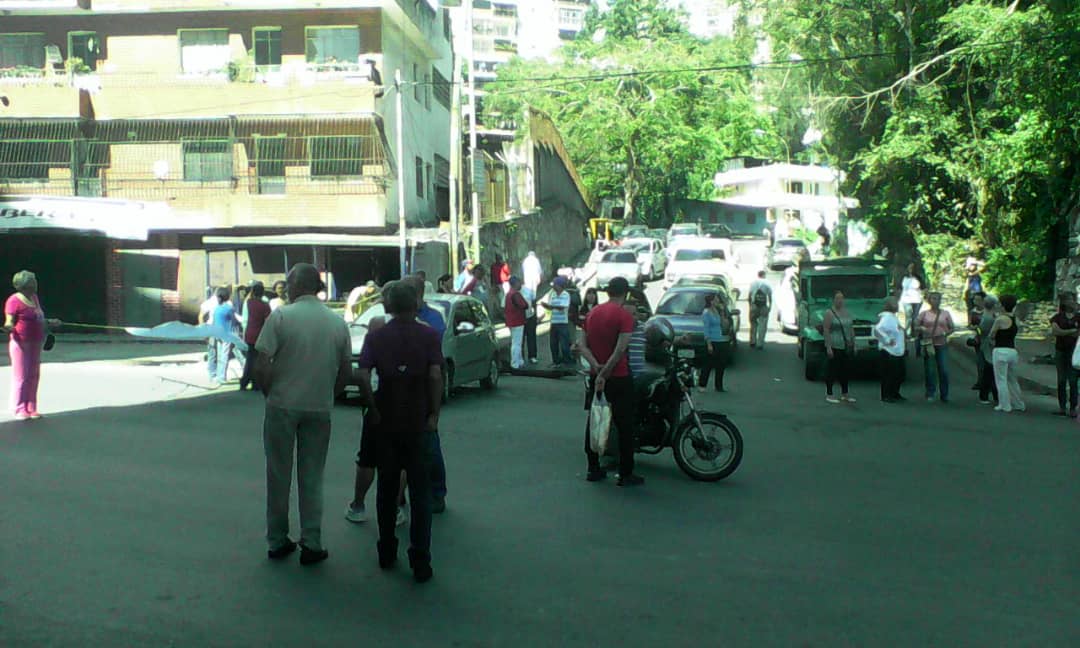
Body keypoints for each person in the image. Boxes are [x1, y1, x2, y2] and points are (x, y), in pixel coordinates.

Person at [253, 263, 352, 565]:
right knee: (312, 476)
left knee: (278, 474)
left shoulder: (281, 317)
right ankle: (312, 541)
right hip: (318, 407)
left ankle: (277, 539)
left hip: (283, 404)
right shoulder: (337, 323)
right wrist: (328, 396)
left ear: (295, 286)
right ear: (318, 288)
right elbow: (345, 373)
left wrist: (269, 391)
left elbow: (263, 363)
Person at [354, 281, 443, 583]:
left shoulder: (377, 336)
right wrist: (434, 414)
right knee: (420, 492)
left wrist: (372, 408)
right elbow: (434, 375)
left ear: (389, 306)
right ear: (414, 305)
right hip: (417, 419)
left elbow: (362, 374)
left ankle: (387, 549)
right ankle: (421, 559)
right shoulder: (428, 335)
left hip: (386, 418)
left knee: (386, 488)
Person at [345, 314, 410, 528]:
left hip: (378, 403)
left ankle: (358, 505)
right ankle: (396, 507)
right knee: (400, 460)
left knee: (368, 459)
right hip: (403, 406)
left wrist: (370, 407)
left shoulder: (374, 343)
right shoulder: (411, 337)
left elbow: (363, 377)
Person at [577, 276, 642, 487]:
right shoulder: (624, 316)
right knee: (625, 425)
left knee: (595, 419)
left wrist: (596, 367)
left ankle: (593, 467)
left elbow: (581, 345)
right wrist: (606, 371)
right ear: (625, 293)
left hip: (597, 375)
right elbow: (620, 349)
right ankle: (625, 472)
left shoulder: (592, 314)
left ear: (608, 292)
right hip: (619, 376)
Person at [408, 275, 449, 513]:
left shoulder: (433, 317)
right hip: (404, 388)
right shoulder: (395, 314)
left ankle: (437, 492)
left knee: (430, 442)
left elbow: (434, 355)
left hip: (426, 385)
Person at [3, 270, 61, 420]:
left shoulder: (34, 298)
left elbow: (38, 317)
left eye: (35, 281)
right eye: (32, 282)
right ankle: (19, 408)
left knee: (34, 375)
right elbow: (9, 321)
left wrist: (50, 322)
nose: (36, 284)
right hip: (20, 343)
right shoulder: (14, 300)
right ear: (24, 285)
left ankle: (31, 407)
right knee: (21, 376)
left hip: (36, 342)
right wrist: (8, 326)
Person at [916, 292, 955, 403]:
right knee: (930, 370)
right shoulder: (924, 314)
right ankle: (930, 392)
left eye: (938, 299)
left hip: (942, 344)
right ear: (929, 300)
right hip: (929, 344)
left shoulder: (945, 313)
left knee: (944, 370)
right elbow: (916, 325)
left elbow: (952, 328)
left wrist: (945, 333)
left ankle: (944, 394)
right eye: (933, 298)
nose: (935, 301)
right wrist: (922, 329)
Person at [990, 294, 1025, 413]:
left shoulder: (1000, 319)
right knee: (1012, 379)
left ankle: (1004, 405)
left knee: (1001, 379)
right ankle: (1018, 403)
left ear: (1003, 306)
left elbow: (992, 334)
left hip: (1000, 350)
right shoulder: (1016, 319)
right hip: (1012, 351)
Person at [1050, 292, 1080, 417]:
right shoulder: (1057, 317)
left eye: (1071, 300)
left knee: (1073, 381)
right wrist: (1071, 331)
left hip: (1075, 352)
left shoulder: (1079, 317)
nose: (1070, 303)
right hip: (1061, 351)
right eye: (1067, 300)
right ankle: (1062, 407)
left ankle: (1073, 407)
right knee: (1061, 380)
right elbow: (1055, 331)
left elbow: (1078, 334)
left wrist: (1064, 332)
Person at [822, 291, 855, 403]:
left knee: (845, 371)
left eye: (841, 298)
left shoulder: (847, 313)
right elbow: (826, 329)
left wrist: (853, 342)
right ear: (833, 300)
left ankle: (845, 394)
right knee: (832, 370)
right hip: (834, 344)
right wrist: (828, 347)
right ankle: (829, 394)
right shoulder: (829, 313)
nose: (839, 301)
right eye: (837, 298)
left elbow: (851, 328)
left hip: (845, 345)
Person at [240, 281, 272, 392]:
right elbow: (268, 321)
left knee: (249, 359)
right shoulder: (265, 305)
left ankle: (244, 382)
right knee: (258, 361)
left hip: (249, 333)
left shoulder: (248, 303)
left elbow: (245, 319)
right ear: (263, 293)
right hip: (260, 334)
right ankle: (255, 383)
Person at [873, 296, 906, 402]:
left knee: (899, 374)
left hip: (897, 351)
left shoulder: (893, 317)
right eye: (894, 303)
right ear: (887, 305)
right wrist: (887, 340)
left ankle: (895, 393)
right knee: (889, 375)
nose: (896, 305)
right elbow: (877, 330)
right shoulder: (887, 317)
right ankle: (886, 395)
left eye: (896, 303)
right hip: (889, 351)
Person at [699, 292, 731, 392]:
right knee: (708, 364)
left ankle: (719, 386)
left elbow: (724, 324)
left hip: (722, 339)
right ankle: (702, 385)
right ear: (711, 301)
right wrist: (708, 344)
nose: (718, 301)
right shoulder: (706, 313)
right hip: (712, 341)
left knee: (721, 364)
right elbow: (706, 329)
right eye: (716, 300)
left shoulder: (717, 311)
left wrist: (722, 312)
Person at [207, 286, 237, 386]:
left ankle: (218, 376)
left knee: (220, 355)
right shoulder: (229, 308)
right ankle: (222, 377)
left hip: (217, 334)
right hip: (227, 334)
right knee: (224, 356)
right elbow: (234, 321)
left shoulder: (216, 309)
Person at [542, 276, 572, 366]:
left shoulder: (566, 294)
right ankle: (556, 361)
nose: (553, 286)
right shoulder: (552, 294)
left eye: (555, 285)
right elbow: (550, 307)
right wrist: (546, 306)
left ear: (560, 285)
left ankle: (566, 361)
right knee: (553, 343)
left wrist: (551, 307)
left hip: (562, 323)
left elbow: (562, 307)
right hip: (554, 322)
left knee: (564, 344)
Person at [505, 276, 528, 369]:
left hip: (511, 320)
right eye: (519, 282)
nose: (520, 284)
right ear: (515, 283)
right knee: (517, 343)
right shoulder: (515, 294)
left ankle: (519, 360)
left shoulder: (508, 294)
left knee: (516, 341)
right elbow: (524, 305)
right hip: (517, 321)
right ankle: (515, 363)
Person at [967, 291, 987, 390]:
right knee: (980, 361)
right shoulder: (973, 311)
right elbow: (969, 324)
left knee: (988, 362)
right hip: (978, 339)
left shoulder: (988, 311)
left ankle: (988, 382)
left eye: (978, 299)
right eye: (975, 299)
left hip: (987, 339)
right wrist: (973, 327)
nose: (976, 302)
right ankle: (980, 382)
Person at [748, 270, 772, 350]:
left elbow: (749, 295)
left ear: (758, 275)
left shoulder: (753, 283)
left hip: (754, 306)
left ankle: (752, 341)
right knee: (763, 325)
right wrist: (770, 307)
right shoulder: (767, 283)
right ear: (764, 275)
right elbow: (770, 295)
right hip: (763, 306)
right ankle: (760, 343)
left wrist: (750, 305)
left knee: (753, 324)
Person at [899, 264, 924, 337]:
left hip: (916, 299)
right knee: (908, 316)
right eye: (909, 268)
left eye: (912, 268)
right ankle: (906, 332)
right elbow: (900, 287)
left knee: (915, 317)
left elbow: (922, 287)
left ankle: (914, 332)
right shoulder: (904, 277)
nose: (911, 270)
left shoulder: (918, 278)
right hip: (906, 300)